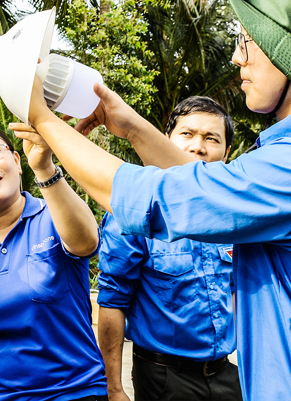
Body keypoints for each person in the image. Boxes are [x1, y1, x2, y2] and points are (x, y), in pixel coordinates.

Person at [26, 0, 291, 400]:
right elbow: (211, 188)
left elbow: (155, 198)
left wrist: (43, 119)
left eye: (247, 43)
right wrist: (134, 128)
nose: (238, 59)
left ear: (290, 55)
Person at [0, 121, 108, 401]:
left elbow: (87, 242)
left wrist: (44, 168)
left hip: (75, 392)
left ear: (16, 160)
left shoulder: (55, 216)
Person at [97, 96, 241, 401]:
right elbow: (113, 300)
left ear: (226, 153)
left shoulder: (234, 219)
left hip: (225, 374)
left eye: (211, 138)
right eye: (187, 134)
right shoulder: (135, 212)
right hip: (164, 378)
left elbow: (237, 291)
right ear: (165, 140)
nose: (198, 146)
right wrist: (113, 388)